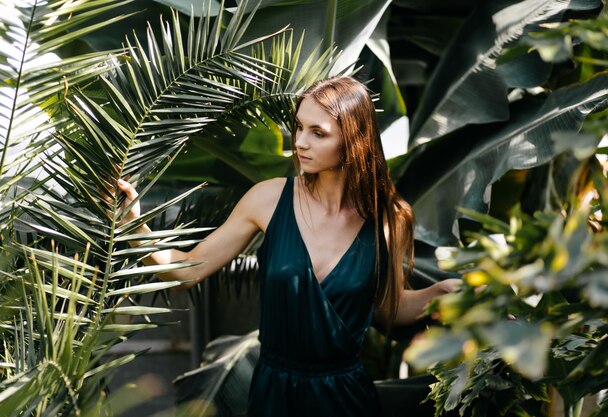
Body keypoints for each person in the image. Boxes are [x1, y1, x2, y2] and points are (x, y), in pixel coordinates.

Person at [116, 75, 461, 417]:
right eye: (299, 127)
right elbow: (186, 270)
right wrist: (132, 221)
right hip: (275, 395)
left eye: (318, 133)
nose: (300, 142)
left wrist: (441, 292)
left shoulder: (385, 219)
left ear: (353, 140)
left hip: (346, 399)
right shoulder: (268, 199)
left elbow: (387, 309)